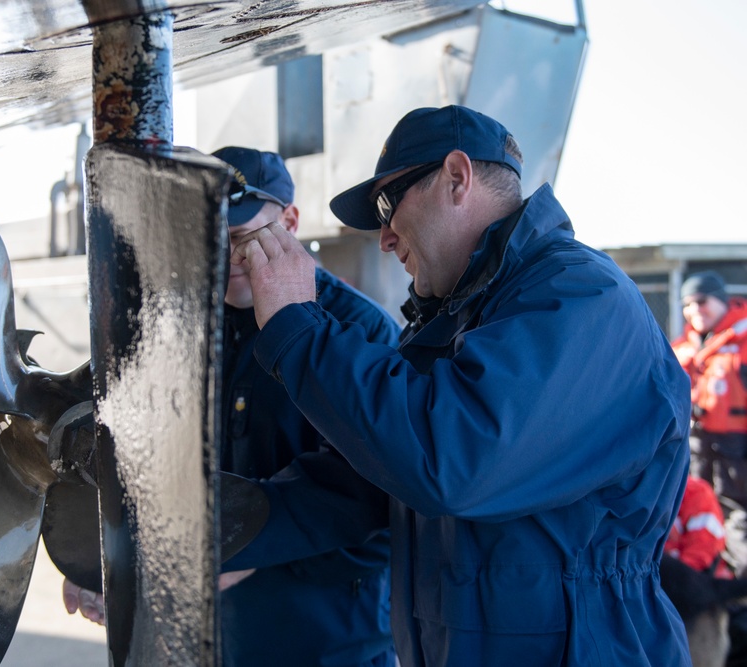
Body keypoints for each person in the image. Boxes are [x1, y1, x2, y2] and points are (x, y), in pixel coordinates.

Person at [223, 105, 692, 666]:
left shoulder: (581, 297)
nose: (385, 239)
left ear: (456, 177)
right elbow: (361, 487)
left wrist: (301, 330)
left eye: (386, 206)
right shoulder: (456, 322)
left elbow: (453, 458)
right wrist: (195, 536)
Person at [65, 146, 399, 666]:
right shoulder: (181, 329)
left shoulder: (362, 332)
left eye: (243, 239)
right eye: (207, 241)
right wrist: (94, 557)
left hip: (330, 642)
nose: (225, 260)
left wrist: (238, 555)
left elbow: (383, 509)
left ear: (290, 219)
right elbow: (134, 453)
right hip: (214, 641)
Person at [671, 271, 747, 515]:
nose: (695, 310)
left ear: (721, 300)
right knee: (697, 516)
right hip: (695, 452)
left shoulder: (742, 343)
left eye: (702, 301)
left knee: (735, 521)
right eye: (687, 304)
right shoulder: (679, 348)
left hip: (736, 457)